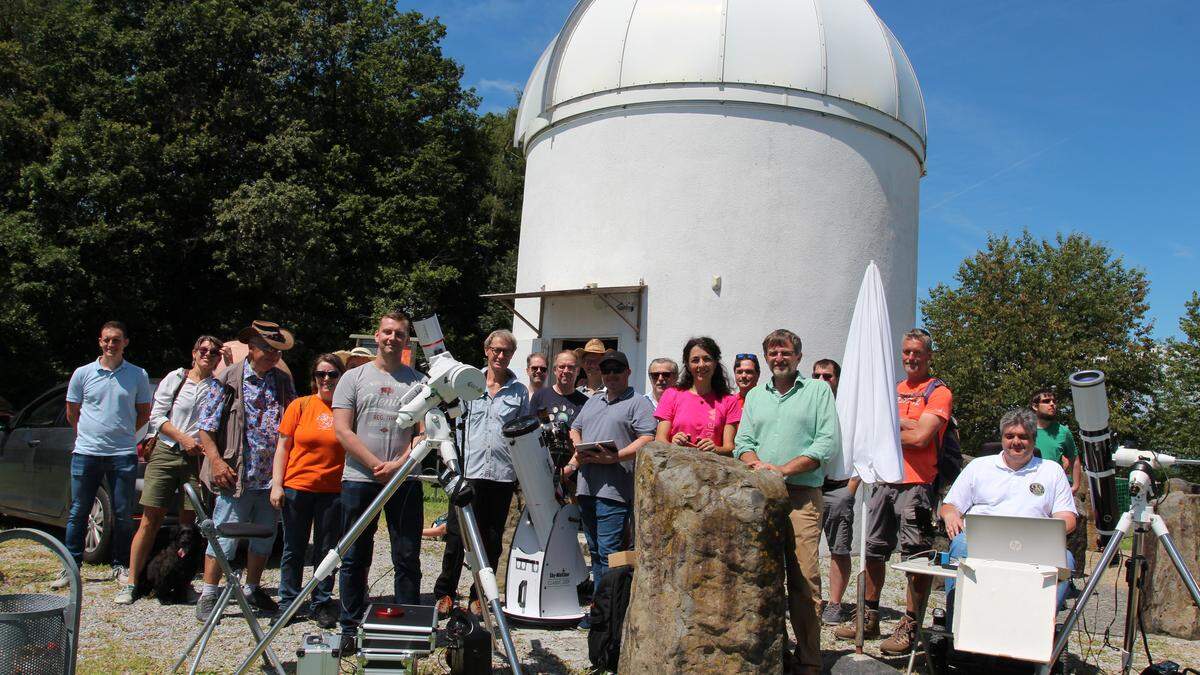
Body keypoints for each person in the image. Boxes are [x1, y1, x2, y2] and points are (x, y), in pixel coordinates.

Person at [835, 329, 951, 655]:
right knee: (873, 551)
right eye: (906, 352)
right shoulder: (894, 389)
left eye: (917, 352)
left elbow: (921, 439)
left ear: (928, 355)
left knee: (915, 558)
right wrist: (905, 424)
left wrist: (888, 427)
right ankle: (868, 617)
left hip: (916, 485)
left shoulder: (938, 392)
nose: (911, 358)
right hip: (883, 481)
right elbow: (871, 430)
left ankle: (909, 626)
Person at [734, 329, 840, 675]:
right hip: (761, 494)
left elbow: (825, 444)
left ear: (798, 356)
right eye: (773, 353)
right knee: (762, 575)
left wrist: (782, 470)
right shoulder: (755, 397)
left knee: (804, 579)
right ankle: (773, 650)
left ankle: (809, 658)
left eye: (785, 353)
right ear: (766, 357)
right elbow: (743, 442)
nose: (779, 358)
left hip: (800, 498)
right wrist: (759, 467)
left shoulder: (818, 391)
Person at [332, 311, 425, 653]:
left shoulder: (418, 382)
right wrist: (374, 464)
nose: (392, 338)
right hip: (359, 477)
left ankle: (407, 627)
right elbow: (342, 428)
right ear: (376, 335)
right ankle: (350, 625)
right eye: (387, 332)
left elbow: (424, 432)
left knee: (406, 555)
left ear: (406, 341)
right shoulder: (353, 378)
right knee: (355, 555)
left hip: (405, 479)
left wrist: (399, 464)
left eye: (399, 334)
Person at [195, 320, 297, 622]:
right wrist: (216, 462)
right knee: (224, 534)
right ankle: (210, 592)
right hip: (235, 474)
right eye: (266, 348)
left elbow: (291, 426)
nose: (272, 355)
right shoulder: (227, 379)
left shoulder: (282, 381)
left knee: (265, 536)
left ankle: (252, 587)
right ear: (251, 348)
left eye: (276, 351)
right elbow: (206, 428)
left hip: (271, 478)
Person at [941, 408, 1078, 620]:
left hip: (1033, 544)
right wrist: (950, 515)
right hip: (980, 540)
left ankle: (1039, 627)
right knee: (960, 545)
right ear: (1002, 438)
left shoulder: (1051, 471)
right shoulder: (979, 466)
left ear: (1033, 439)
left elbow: (1068, 518)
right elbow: (950, 505)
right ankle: (957, 625)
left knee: (1066, 560)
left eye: (1023, 436)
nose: (1016, 441)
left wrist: (1050, 531)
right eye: (1010, 436)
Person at [117, 335, 223, 604]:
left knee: (189, 525)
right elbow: (157, 416)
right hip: (167, 451)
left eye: (213, 351)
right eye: (203, 349)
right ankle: (132, 582)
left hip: (196, 458)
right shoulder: (176, 379)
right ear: (194, 352)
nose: (207, 354)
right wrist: (183, 438)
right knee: (150, 518)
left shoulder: (218, 387)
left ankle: (182, 582)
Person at [434, 329, 529, 618]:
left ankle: (478, 595)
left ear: (512, 355)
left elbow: (521, 434)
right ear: (486, 350)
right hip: (469, 473)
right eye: (496, 350)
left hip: (500, 475)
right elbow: (450, 420)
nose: (501, 356)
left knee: (491, 540)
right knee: (455, 537)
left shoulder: (519, 391)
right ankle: (445, 593)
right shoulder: (468, 383)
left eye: (507, 352)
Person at [564, 350, 655, 628]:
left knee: (609, 552)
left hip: (614, 489)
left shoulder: (638, 403)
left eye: (617, 369)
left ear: (628, 372)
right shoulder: (593, 400)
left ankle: (606, 615)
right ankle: (601, 607)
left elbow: (648, 438)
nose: (611, 375)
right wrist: (578, 449)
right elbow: (574, 428)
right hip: (587, 486)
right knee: (594, 550)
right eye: (607, 370)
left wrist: (616, 456)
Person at [59, 321, 153, 590]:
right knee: (78, 511)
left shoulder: (137, 375)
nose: (111, 344)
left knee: (123, 513)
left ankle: (120, 565)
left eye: (116, 340)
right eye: (106, 340)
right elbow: (72, 412)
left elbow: (144, 412)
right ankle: (71, 565)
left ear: (125, 342)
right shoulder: (83, 373)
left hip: (122, 453)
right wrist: (87, 435)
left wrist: (123, 434)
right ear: (100, 342)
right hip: (86, 452)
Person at [270, 354, 346, 629]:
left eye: (333, 374)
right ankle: (288, 602)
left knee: (327, 551)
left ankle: (321, 602)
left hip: (333, 491)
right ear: (313, 378)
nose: (327, 379)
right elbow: (283, 447)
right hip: (297, 488)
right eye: (321, 374)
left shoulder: (346, 409)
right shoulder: (299, 406)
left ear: (341, 377)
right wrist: (277, 484)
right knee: (293, 548)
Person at [812, 357, 858, 624]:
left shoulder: (847, 410)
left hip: (838, 488)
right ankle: (811, 601)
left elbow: (863, 450)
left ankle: (835, 603)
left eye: (827, 376)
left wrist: (850, 489)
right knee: (804, 549)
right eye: (816, 375)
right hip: (810, 485)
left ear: (837, 379)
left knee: (838, 549)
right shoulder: (810, 405)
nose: (821, 381)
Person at [1031, 387, 1088, 587]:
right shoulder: (1025, 430)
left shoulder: (1063, 432)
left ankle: (1061, 579)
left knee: (1060, 532)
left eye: (1054, 401)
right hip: (1030, 487)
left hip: (1056, 489)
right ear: (1034, 406)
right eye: (1047, 401)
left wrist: (1076, 484)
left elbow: (1074, 458)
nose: (1052, 404)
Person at [654, 337, 741, 454]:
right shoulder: (671, 395)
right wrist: (673, 443)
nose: (701, 365)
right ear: (687, 365)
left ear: (715, 363)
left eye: (707, 359)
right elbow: (660, 440)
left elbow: (729, 447)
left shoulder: (729, 401)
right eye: (695, 360)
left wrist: (716, 449)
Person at [530, 350, 590, 426]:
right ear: (554, 370)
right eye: (561, 367)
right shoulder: (539, 396)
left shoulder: (585, 402)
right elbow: (531, 430)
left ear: (577, 371)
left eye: (570, 367)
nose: (566, 371)